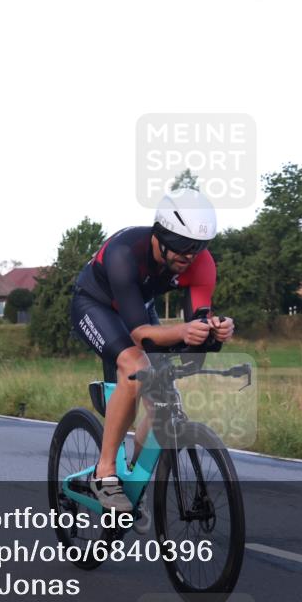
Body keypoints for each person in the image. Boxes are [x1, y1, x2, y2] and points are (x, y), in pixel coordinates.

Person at [70, 189, 235, 511]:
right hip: (96, 305)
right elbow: (139, 334)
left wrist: (215, 330)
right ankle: (105, 473)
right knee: (134, 369)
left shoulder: (200, 264)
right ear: (160, 234)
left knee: (162, 398)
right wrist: (182, 332)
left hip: (138, 308)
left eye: (199, 247)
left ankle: (132, 477)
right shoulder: (125, 251)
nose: (190, 256)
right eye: (183, 246)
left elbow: (196, 322)